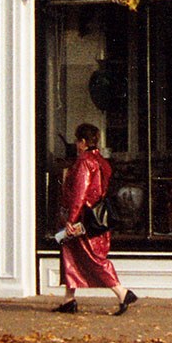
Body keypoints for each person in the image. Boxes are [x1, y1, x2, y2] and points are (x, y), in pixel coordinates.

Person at [55, 122, 137, 315]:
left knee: (92, 258)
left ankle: (122, 293)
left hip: (84, 217)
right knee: (71, 253)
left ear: (83, 142)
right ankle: (69, 300)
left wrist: (71, 219)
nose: (76, 145)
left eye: (77, 141)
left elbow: (79, 193)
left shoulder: (84, 162)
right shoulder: (100, 161)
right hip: (94, 216)